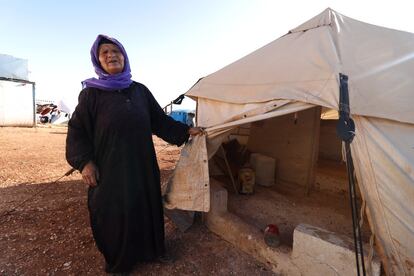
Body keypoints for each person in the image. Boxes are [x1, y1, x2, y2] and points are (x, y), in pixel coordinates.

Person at [65, 34, 203, 274]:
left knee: (145, 206)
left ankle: (153, 251)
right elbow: (77, 130)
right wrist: (85, 163)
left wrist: (186, 130)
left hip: (141, 164)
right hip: (109, 167)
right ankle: (119, 262)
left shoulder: (139, 90)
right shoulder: (91, 95)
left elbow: (159, 121)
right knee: (112, 212)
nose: (111, 55)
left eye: (115, 51)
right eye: (104, 52)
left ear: (124, 56)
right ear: (97, 60)